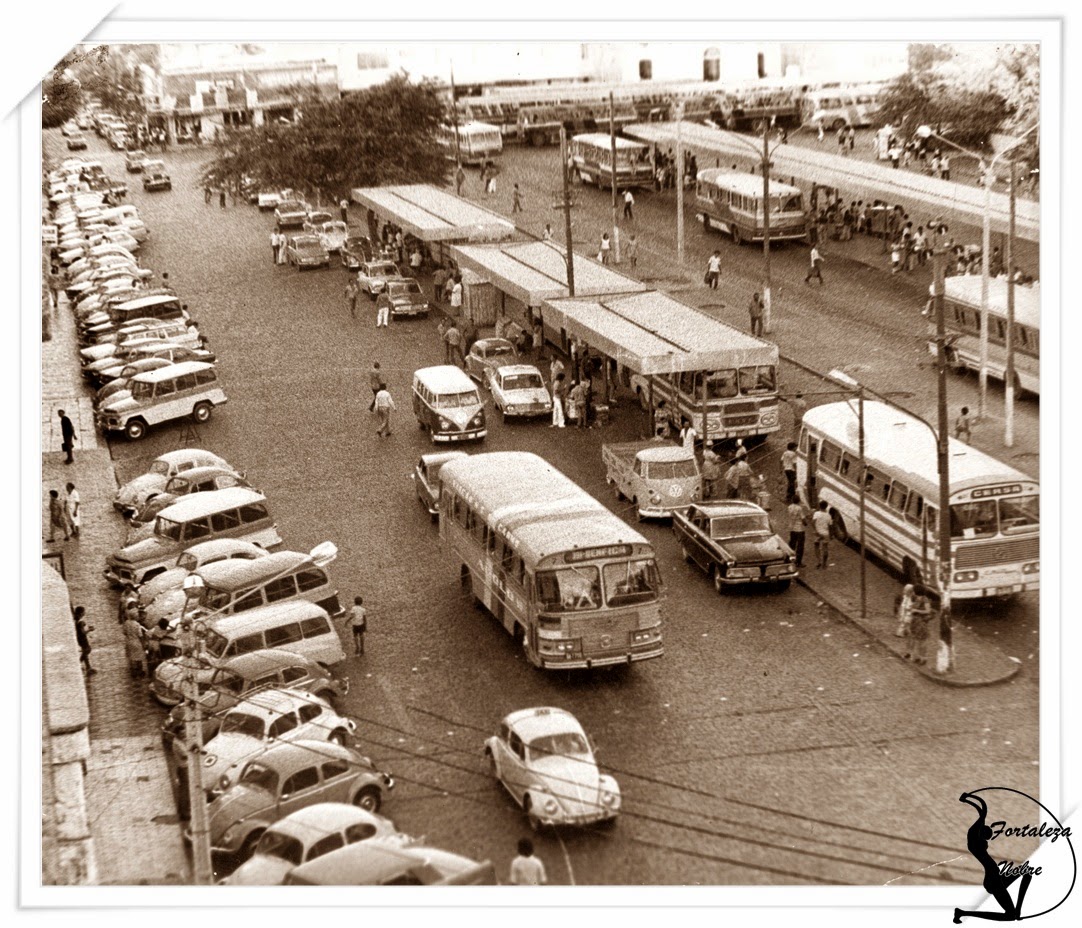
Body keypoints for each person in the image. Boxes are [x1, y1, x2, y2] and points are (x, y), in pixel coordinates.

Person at [953, 792, 1035, 924]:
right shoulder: (974, 836)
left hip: (996, 878)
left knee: (1027, 872)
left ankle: (1018, 909)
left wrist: (968, 799)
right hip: (993, 880)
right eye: (987, 835)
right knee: (1010, 915)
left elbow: (981, 811)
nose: (988, 838)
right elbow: (983, 808)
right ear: (983, 831)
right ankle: (962, 913)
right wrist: (967, 797)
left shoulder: (976, 836)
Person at [906, 595, 932, 664]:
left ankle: (923, 658)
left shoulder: (925, 600)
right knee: (915, 639)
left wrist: (916, 610)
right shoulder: (917, 599)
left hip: (921, 623)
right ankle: (916, 656)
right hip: (915, 622)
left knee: (922, 641)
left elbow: (928, 611)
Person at [123, 613, 148, 678]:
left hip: (129, 641)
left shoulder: (126, 622)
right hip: (136, 642)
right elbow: (140, 635)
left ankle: (133, 672)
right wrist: (143, 644)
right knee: (139, 657)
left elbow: (124, 632)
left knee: (131, 657)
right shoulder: (137, 624)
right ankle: (140, 672)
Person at [73, 607, 95, 675]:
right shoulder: (80, 622)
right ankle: (78, 663)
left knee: (85, 651)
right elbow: (82, 632)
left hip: (79, 638)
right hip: (82, 638)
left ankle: (88, 667)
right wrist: (89, 630)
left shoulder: (77, 620)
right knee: (87, 650)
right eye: (84, 611)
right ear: (81, 613)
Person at [811, 500, 832, 569]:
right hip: (825, 533)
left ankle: (818, 561)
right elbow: (830, 526)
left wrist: (815, 530)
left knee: (816, 546)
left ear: (819, 506)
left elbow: (813, 522)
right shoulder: (828, 516)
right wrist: (831, 535)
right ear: (826, 507)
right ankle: (824, 563)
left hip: (818, 533)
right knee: (825, 548)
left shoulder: (816, 513)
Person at [787, 497, 807, 569]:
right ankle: (798, 562)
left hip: (792, 528)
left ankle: (789, 559)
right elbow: (803, 519)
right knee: (800, 546)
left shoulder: (789, 507)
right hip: (799, 529)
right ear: (798, 501)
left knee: (792, 545)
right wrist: (806, 523)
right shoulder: (799, 508)